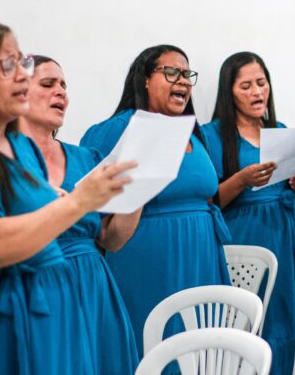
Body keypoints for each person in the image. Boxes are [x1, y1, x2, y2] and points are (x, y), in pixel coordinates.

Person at [0, 20, 134, 374]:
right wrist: (77, 203)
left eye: (23, 62)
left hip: (55, 313)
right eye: (8, 64)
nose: (22, 75)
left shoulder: (17, 146)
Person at [80, 44, 232, 360]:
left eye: (188, 74)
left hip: (202, 257)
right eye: (172, 72)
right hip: (147, 260)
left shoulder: (192, 133)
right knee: (154, 347)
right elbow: (91, 198)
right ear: (145, 79)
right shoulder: (117, 129)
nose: (184, 81)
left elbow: (207, 191)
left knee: (202, 351)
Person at [19, 55, 140, 374]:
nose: (60, 92)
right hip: (36, 285)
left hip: (93, 285)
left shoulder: (87, 158)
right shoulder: (4, 160)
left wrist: (138, 195)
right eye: (47, 84)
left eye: (64, 86)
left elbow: (111, 240)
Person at [201, 51, 295, 375]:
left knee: (289, 315)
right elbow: (209, 202)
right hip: (245, 236)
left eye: (261, 83)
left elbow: (287, 191)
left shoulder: (279, 129)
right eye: (246, 86)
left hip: (284, 232)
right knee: (251, 320)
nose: (257, 92)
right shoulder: (212, 135)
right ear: (228, 92)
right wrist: (241, 180)